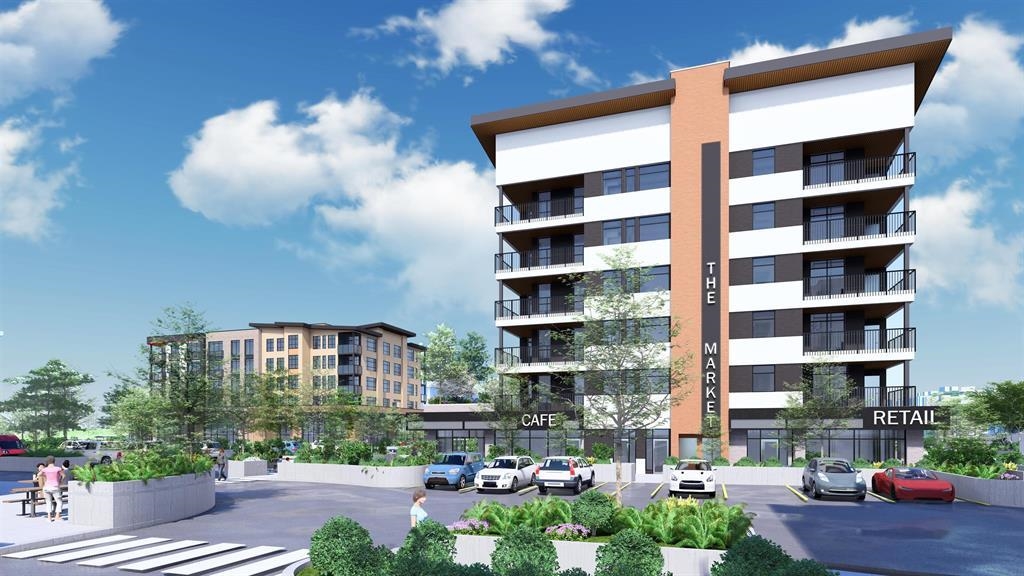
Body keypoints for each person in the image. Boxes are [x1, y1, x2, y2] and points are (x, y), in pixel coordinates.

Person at [40, 456, 65, 521]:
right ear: (54, 461)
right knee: (59, 501)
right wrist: (60, 481)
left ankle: (49, 517)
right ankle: (57, 516)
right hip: (55, 486)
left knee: (48, 502)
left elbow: (39, 475)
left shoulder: (44, 469)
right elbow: (63, 476)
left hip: (46, 487)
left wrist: (45, 476)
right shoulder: (58, 468)